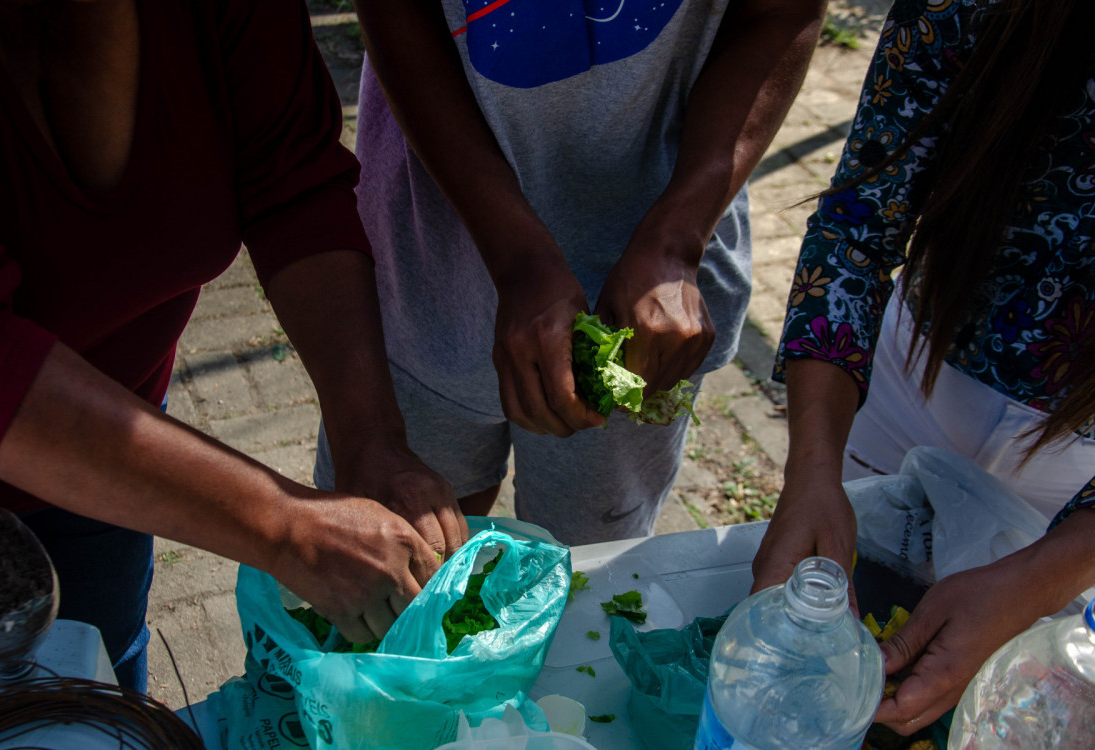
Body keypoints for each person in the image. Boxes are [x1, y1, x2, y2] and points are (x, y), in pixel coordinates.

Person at [0, 0, 469, 693]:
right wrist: (282, 527)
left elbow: (293, 184)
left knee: (100, 697)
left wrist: (371, 437)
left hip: (114, 459)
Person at [317, 0, 829, 545]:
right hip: (428, 263)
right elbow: (394, 16)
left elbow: (782, 11)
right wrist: (519, 259)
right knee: (404, 555)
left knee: (590, 561)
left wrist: (678, 238)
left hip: (650, 306)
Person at [754, 0, 1095, 735]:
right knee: (821, 678)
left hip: (1082, 479)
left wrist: (1041, 577)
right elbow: (858, 226)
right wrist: (812, 467)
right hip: (905, 378)